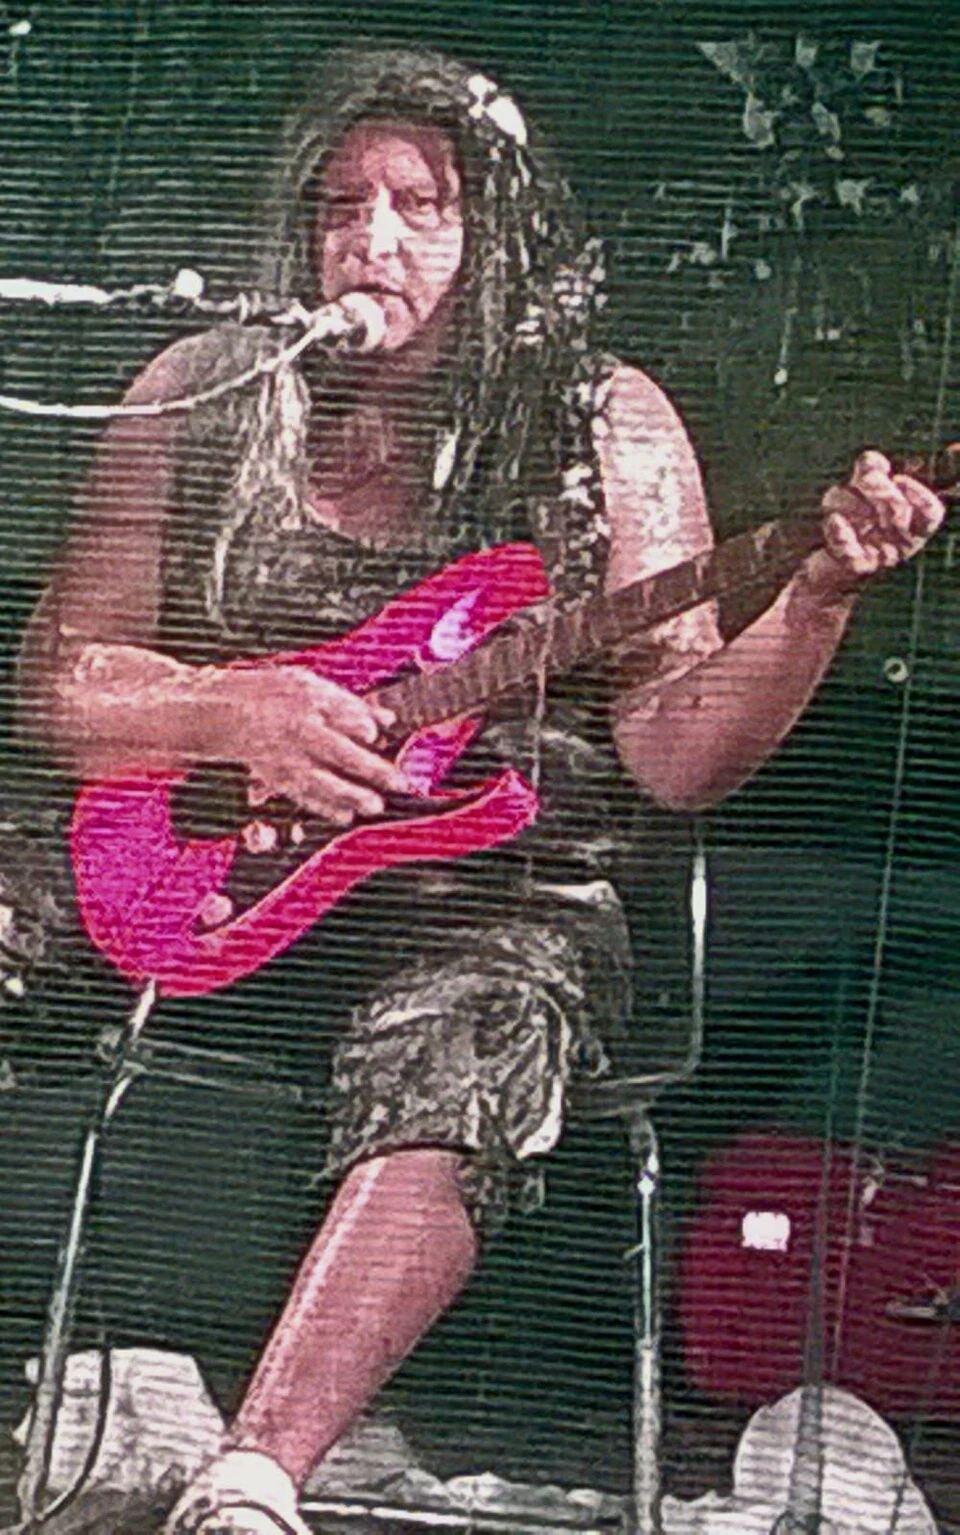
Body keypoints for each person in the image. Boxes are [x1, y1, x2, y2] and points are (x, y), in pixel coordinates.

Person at [17, 47, 943, 1535]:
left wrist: (817, 600)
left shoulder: (606, 428)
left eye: (419, 206)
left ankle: (252, 1479)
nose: (370, 242)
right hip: (197, 861)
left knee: (484, 1030)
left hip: (484, 900)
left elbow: (676, 755)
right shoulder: (200, 389)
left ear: (497, 232)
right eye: (339, 207)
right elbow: (61, 685)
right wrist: (228, 706)